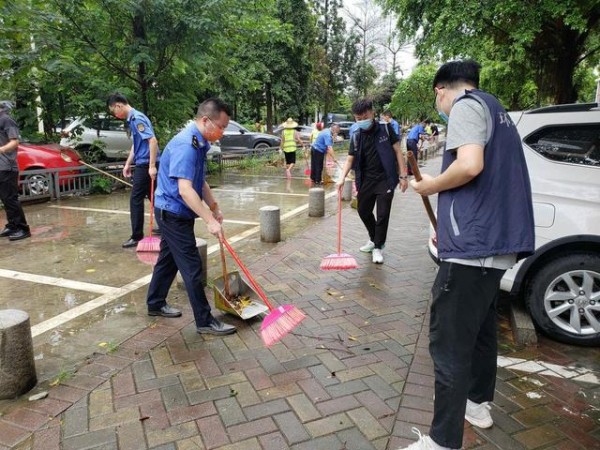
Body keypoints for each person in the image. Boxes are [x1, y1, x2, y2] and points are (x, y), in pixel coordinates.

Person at [402, 60, 535, 450]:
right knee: (479, 332)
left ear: (440, 90)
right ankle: (477, 404)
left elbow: (470, 164)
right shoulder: (496, 109)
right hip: (493, 247)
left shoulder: (464, 105)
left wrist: (430, 187)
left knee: (448, 344)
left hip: (472, 248)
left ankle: (442, 442)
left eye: (437, 97)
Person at [145, 97, 236, 336]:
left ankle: (155, 302)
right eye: (221, 127)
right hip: (172, 213)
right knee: (192, 266)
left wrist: (214, 207)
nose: (223, 133)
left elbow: (199, 180)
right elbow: (185, 190)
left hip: (173, 210)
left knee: (168, 259)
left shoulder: (199, 141)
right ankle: (205, 321)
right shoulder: (186, 145)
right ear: (206, 121)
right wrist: (209, 221)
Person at [336, 98, 408, 264]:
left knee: (382, 215)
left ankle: (377, 247)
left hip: (385, 179)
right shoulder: (356, 135)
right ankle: (374, 238)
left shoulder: (386, 129)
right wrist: (341, 178)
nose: (361, 121)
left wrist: (403, 176)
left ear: (372, 113)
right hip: (366, 180)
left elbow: (398, 152)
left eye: (364, 116)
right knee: (363, 211)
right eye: (358, 118)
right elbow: (349, 159)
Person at [107, 93, 160, 248]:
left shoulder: (137, 119)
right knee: (156, 197)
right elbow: (137, 144)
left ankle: (137, 236)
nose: (115, 114)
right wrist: (128, 163)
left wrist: (151, 166)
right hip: (144, 162)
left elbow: (152, 141)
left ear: (118, 105)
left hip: (146, 165)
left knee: (135, 199)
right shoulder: (134, 118)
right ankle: (166, 227)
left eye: (113, 111)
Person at [0, 101, 31, 241]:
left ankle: (23, 228)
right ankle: (12, 225)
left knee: (11, 198)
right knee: (5, 199)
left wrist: (1, 150)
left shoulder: (6, 119)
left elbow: (14, 142)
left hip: (7, 166)